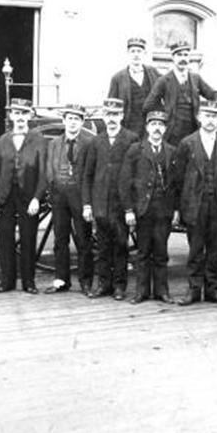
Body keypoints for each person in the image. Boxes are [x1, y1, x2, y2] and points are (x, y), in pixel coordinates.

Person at [171, 98, 217, 306]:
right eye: (206, 115)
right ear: (199, 117)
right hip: (194, 205)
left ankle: (213, 289)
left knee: (215, 249)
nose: (210, 120)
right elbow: (178, 179)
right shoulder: (187, 143)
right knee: (196, 249)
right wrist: (179, 208)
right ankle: (194, 289)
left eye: (215, 116)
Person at [81, 98, 140, 300]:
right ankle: (103, 284)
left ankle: (119, 286)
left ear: (122, 116)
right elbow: (88, 175)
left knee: (121, 245)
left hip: (121, 205)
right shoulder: (96, 141)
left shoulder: (131, 139)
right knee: (103, 247)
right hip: (100, 205)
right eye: (108, 115)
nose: (112, 119)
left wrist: (130, 207)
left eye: (115, 115)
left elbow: (135, 176)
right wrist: (87, 204)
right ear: (104, 117)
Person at [119, 110, 177, 305]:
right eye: (153, 125)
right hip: (143, 210)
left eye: (161, 125)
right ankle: (141, 292)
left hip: (163, 211)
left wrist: (175, 209)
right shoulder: (135, 150)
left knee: (161, 252)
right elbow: (124, 182)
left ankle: (162, 291)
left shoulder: (171, 151)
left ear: (165, 129)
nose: (157, 129)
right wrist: (128, 210)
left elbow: (176, 184)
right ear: (146, 128)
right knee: (143, 252)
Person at [0, 98, 47, 294]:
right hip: (6, 195)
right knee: (5, 238)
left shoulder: (38, 139)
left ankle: (28, 282)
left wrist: (37, 198)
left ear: (29, 116)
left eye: (24, 113)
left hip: (28, 196)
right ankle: (7, 281)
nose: (20, 117)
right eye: (17, 113)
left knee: (28, 238)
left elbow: (43, 173)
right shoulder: (3, 139)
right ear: (11, 115)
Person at [43, 103, 95, 295]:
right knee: (60, 240)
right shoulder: (54, 143)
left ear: (82, 122)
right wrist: (52, 186)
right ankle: (61, 280)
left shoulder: (89, 143)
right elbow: (49, 166)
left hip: (80, 195)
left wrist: (88, 200)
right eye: (70, 118)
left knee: (84, 240)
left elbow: (91, 172)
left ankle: (86, 282)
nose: (72, 123)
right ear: (63, 121)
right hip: (59, 195)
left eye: (77, 119)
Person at [142, 39, 217, 146]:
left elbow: (213, 94)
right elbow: (148, 106)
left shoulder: (195, 79)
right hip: (172, 133)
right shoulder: (164, 81)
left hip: (193, 130)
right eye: (179, 55)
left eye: (185, 55)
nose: (183, 58)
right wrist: (165, 114)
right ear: (173, 57)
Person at [107, 36, 162, 141]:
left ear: (144, 53)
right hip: (128, 127)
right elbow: (111, 107)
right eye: (133, 51)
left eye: (139, 51)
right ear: (128, 53)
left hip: (150, 128)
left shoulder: (154, 73)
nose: (136, 54)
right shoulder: (117, 78)